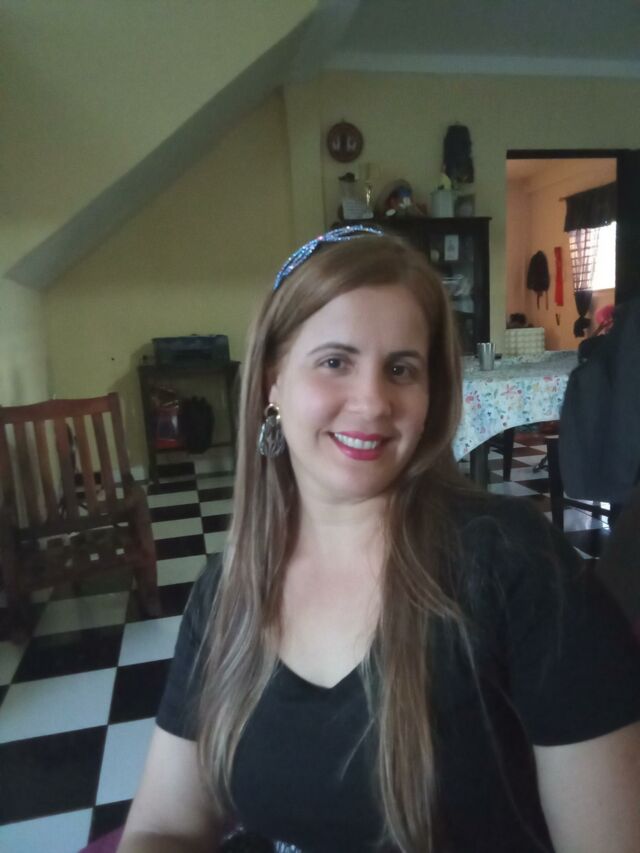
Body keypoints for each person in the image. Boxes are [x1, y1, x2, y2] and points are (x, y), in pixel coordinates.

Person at [118, 227, 640, 853]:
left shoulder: (513, 565)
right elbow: (164, 827)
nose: (371, 402)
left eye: (400, 369)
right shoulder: (226, 591)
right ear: (271, 383)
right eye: (335, 361)